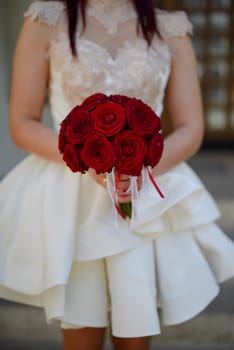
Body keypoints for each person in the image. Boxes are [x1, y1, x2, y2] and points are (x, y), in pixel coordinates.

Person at [0, 0, 234, 349]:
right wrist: (83, 157)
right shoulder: (47, 19)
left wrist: (141, 165)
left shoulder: (170, 28)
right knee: (81, 332)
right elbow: (22, 122)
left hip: (147, 192)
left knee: (135, 333)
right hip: (70, 195)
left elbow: (191, 126)